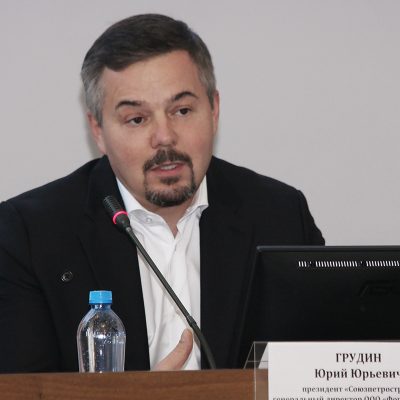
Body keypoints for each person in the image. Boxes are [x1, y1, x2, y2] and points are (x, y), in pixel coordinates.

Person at [0, 14, 324, 373]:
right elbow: (21, 389)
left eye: (182, 111)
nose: (165, 137)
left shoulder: (280, 216)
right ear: (98, 130)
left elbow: (321, 371)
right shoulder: (30, 235)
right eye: (137, 119)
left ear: (214, 110)